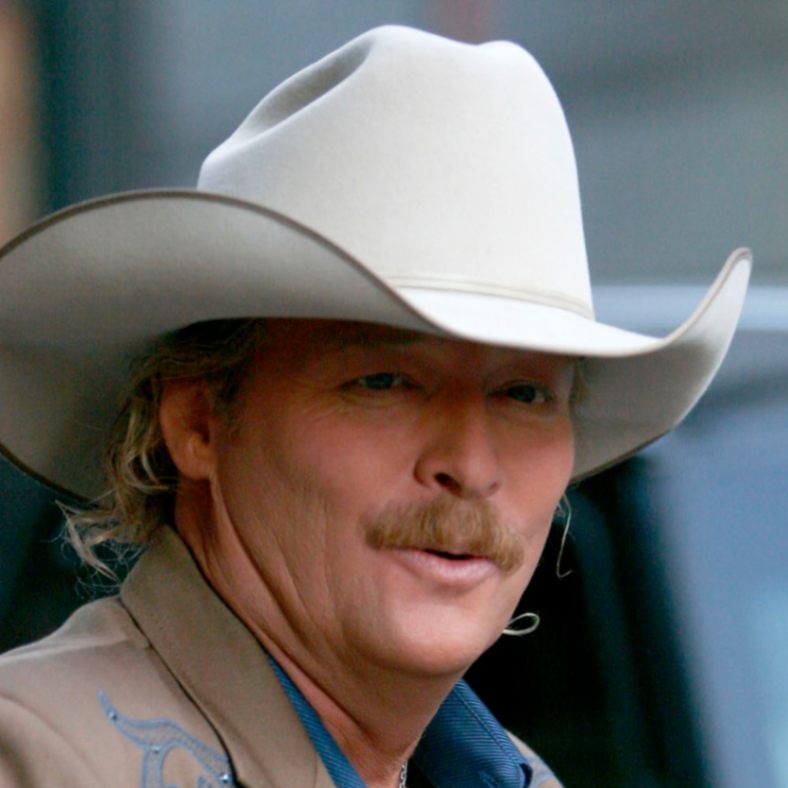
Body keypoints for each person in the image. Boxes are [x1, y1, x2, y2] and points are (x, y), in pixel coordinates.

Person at [0, 25, 749, 788]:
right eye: (384, 382)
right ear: (199, 422)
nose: (469, 463)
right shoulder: (37, 756)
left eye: (524, 393)